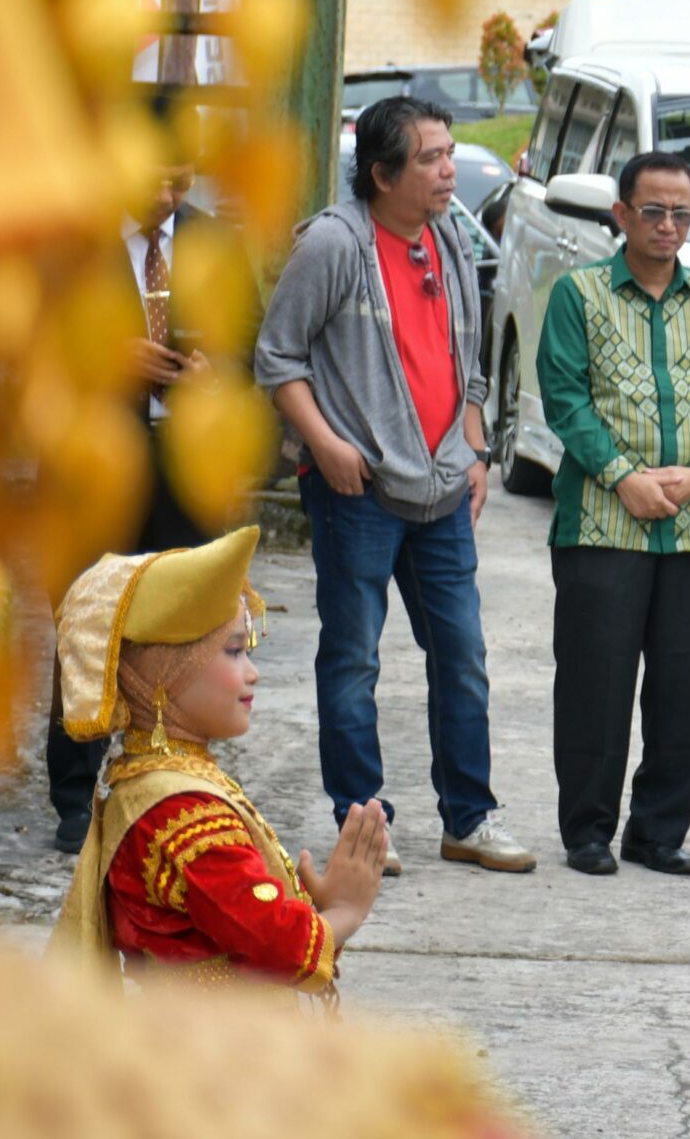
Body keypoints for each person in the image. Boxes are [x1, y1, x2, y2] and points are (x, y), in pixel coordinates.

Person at [253, 95, 533, 876]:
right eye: (430, 158)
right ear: (381, 174)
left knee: (463, 653)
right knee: (352, 659)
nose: (449, 171)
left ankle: (469, 816)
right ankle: (362, 822)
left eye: (450, 153)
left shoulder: (447, 237)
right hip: (359, 490)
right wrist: (326, 444)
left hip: (445, 487)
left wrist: (474, 449)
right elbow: (278, 359)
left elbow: (471, 363)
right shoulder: (334, 244)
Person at [535, 150, 690, 878]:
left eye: (681, 212)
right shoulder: (581, 294)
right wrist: (624, 476)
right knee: (596, 681)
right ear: (621, 213)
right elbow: (563, 395)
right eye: (653, 210)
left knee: (686, 685)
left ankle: (659, 830)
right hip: (603, 520)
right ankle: (588, 830)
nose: (668, 224)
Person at [49, 526, 389, 997]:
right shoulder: (178, 811)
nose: (253, 672)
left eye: (248, 651)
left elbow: (230, 921)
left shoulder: (156, 780)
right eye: (232, 652)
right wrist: (346, 911)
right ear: (164, 677)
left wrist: (314, 908)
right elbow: (274, 945)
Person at [48, 156, 234, 855]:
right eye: (154, 181)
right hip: (102, 458)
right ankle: (74, 790)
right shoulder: (81, 242)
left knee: (186, 621)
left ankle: (174, 775)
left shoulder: (213, 241)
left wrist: (216, 370)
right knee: (91, 614)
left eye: (181, 182)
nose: (167, 197)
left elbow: (249, 338)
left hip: (185, 459)